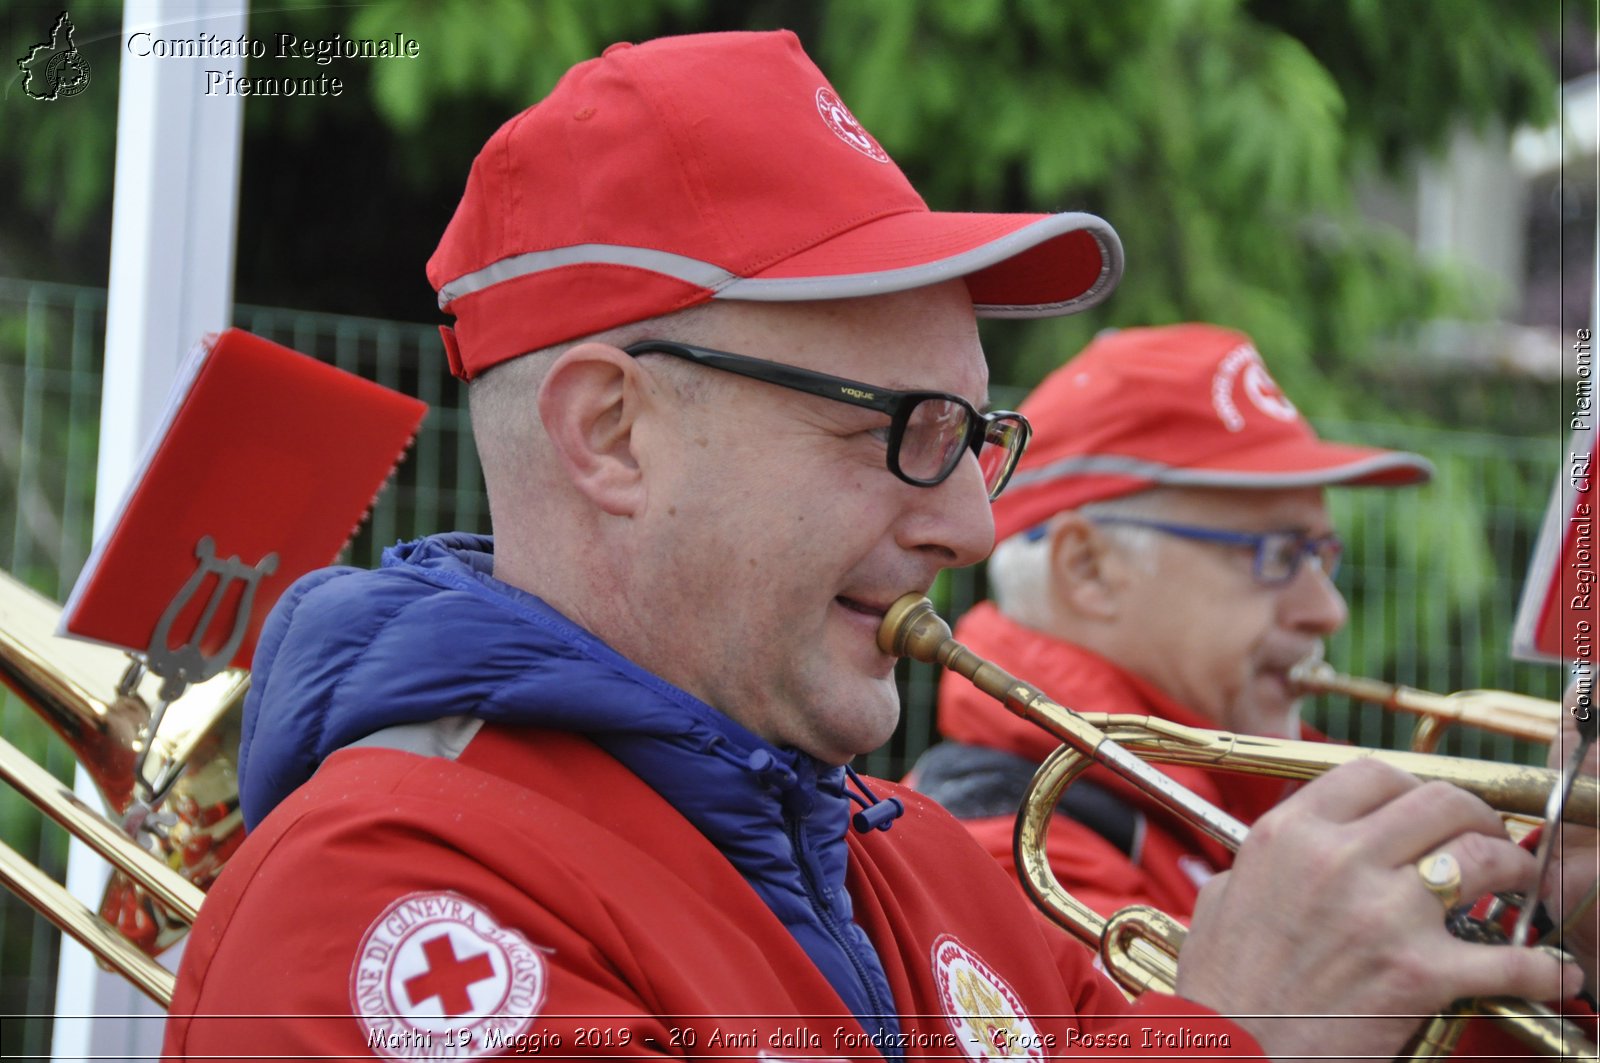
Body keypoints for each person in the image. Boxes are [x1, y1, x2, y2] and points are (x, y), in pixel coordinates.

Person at [161, 31, 1593, 1062]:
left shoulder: (910, 862)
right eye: (902, 427)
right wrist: (1227, 1036)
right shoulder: (385, 901)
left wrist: (1532, 945)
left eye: (980, 435)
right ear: (612, 432)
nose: (971, 521)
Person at [909, 322, 1434, 920]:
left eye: (1322, 556)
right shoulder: (1009, 852)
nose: (1327, 611)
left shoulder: (1249, 786)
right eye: (1279, 555)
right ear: (1089, 569)